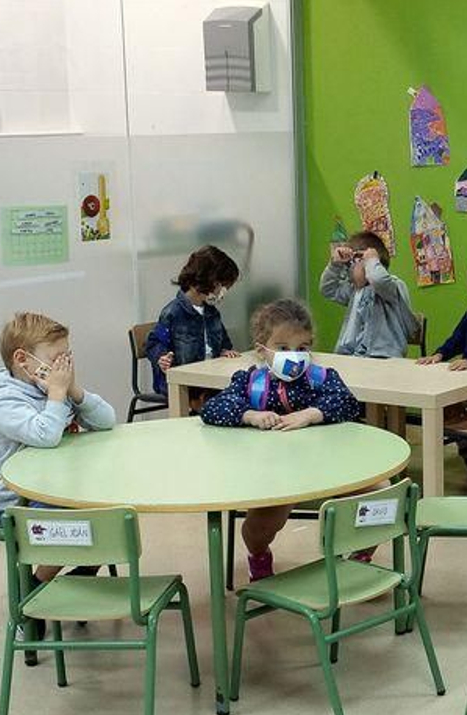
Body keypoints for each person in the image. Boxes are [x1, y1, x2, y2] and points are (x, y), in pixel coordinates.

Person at [201, 298, 362, 581]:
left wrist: (312, 413)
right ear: (262, 350)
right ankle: (259, 555)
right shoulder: (250, 381)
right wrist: (249, 414)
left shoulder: (321, 378)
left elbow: (349, 403)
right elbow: (211, 409)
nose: (294, 356)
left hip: (328, 468)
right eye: (283, 348)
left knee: (380, 492)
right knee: (262, 523)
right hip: (274, 475)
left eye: (302, 348)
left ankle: (361, 553)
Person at [0, 312, 117, 583]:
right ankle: (36, 586)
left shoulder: (51, 388)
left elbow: (107, 421)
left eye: (68, 358)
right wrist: (56, 395)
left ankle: (81, 577)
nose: (64, 366)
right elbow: (46, 435)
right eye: (56, 360)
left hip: (61, 484)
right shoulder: (6, 401)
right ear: (21, 360)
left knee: (113, 505)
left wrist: (75, 391)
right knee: (78, 522)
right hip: (20, 497)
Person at [145, 245, 240, 398]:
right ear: (210, 280)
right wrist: (161, 358)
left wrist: (225, 351)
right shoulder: (172, 313)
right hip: (185, 383)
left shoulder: (212, 313)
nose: (223, 291)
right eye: (222, 285)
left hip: (209, 379)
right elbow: (154, 343)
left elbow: (224, 343)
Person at [320, 230, 415, 359]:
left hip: (383, 357)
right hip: (352, 357)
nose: (347, 271)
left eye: (350, 265)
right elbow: (327, 289)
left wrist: (372, 259)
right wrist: (335, 264)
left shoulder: (391, 286)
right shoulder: (354, 292)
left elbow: (378, 279)